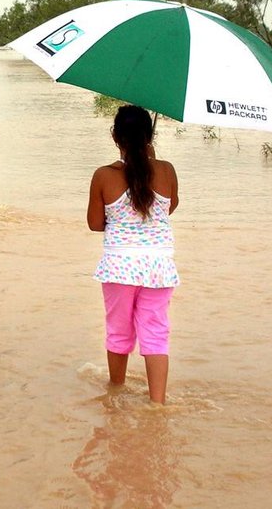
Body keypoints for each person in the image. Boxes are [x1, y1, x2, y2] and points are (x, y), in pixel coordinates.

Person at [86, 105, 179, 404]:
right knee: (155, 334)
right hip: (158, 267)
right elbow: (169, 208)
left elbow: (95, 223)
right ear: (150, 135)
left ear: (115, 136)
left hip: (119, 267)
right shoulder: (166, 170)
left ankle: (116, 394)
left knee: (118, 332)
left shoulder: (103, 175)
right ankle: (158, 404)